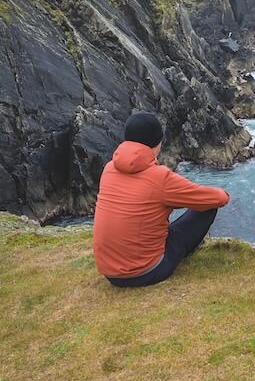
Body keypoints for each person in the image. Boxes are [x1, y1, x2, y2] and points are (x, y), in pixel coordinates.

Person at [93, 112, 230, 287]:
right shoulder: (160, 177)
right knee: (208, 207)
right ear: (157, 143)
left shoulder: (109, 168)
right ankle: (182, 254)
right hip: (145, 272)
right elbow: (216, 198)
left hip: (109, 272)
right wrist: (225, 194)